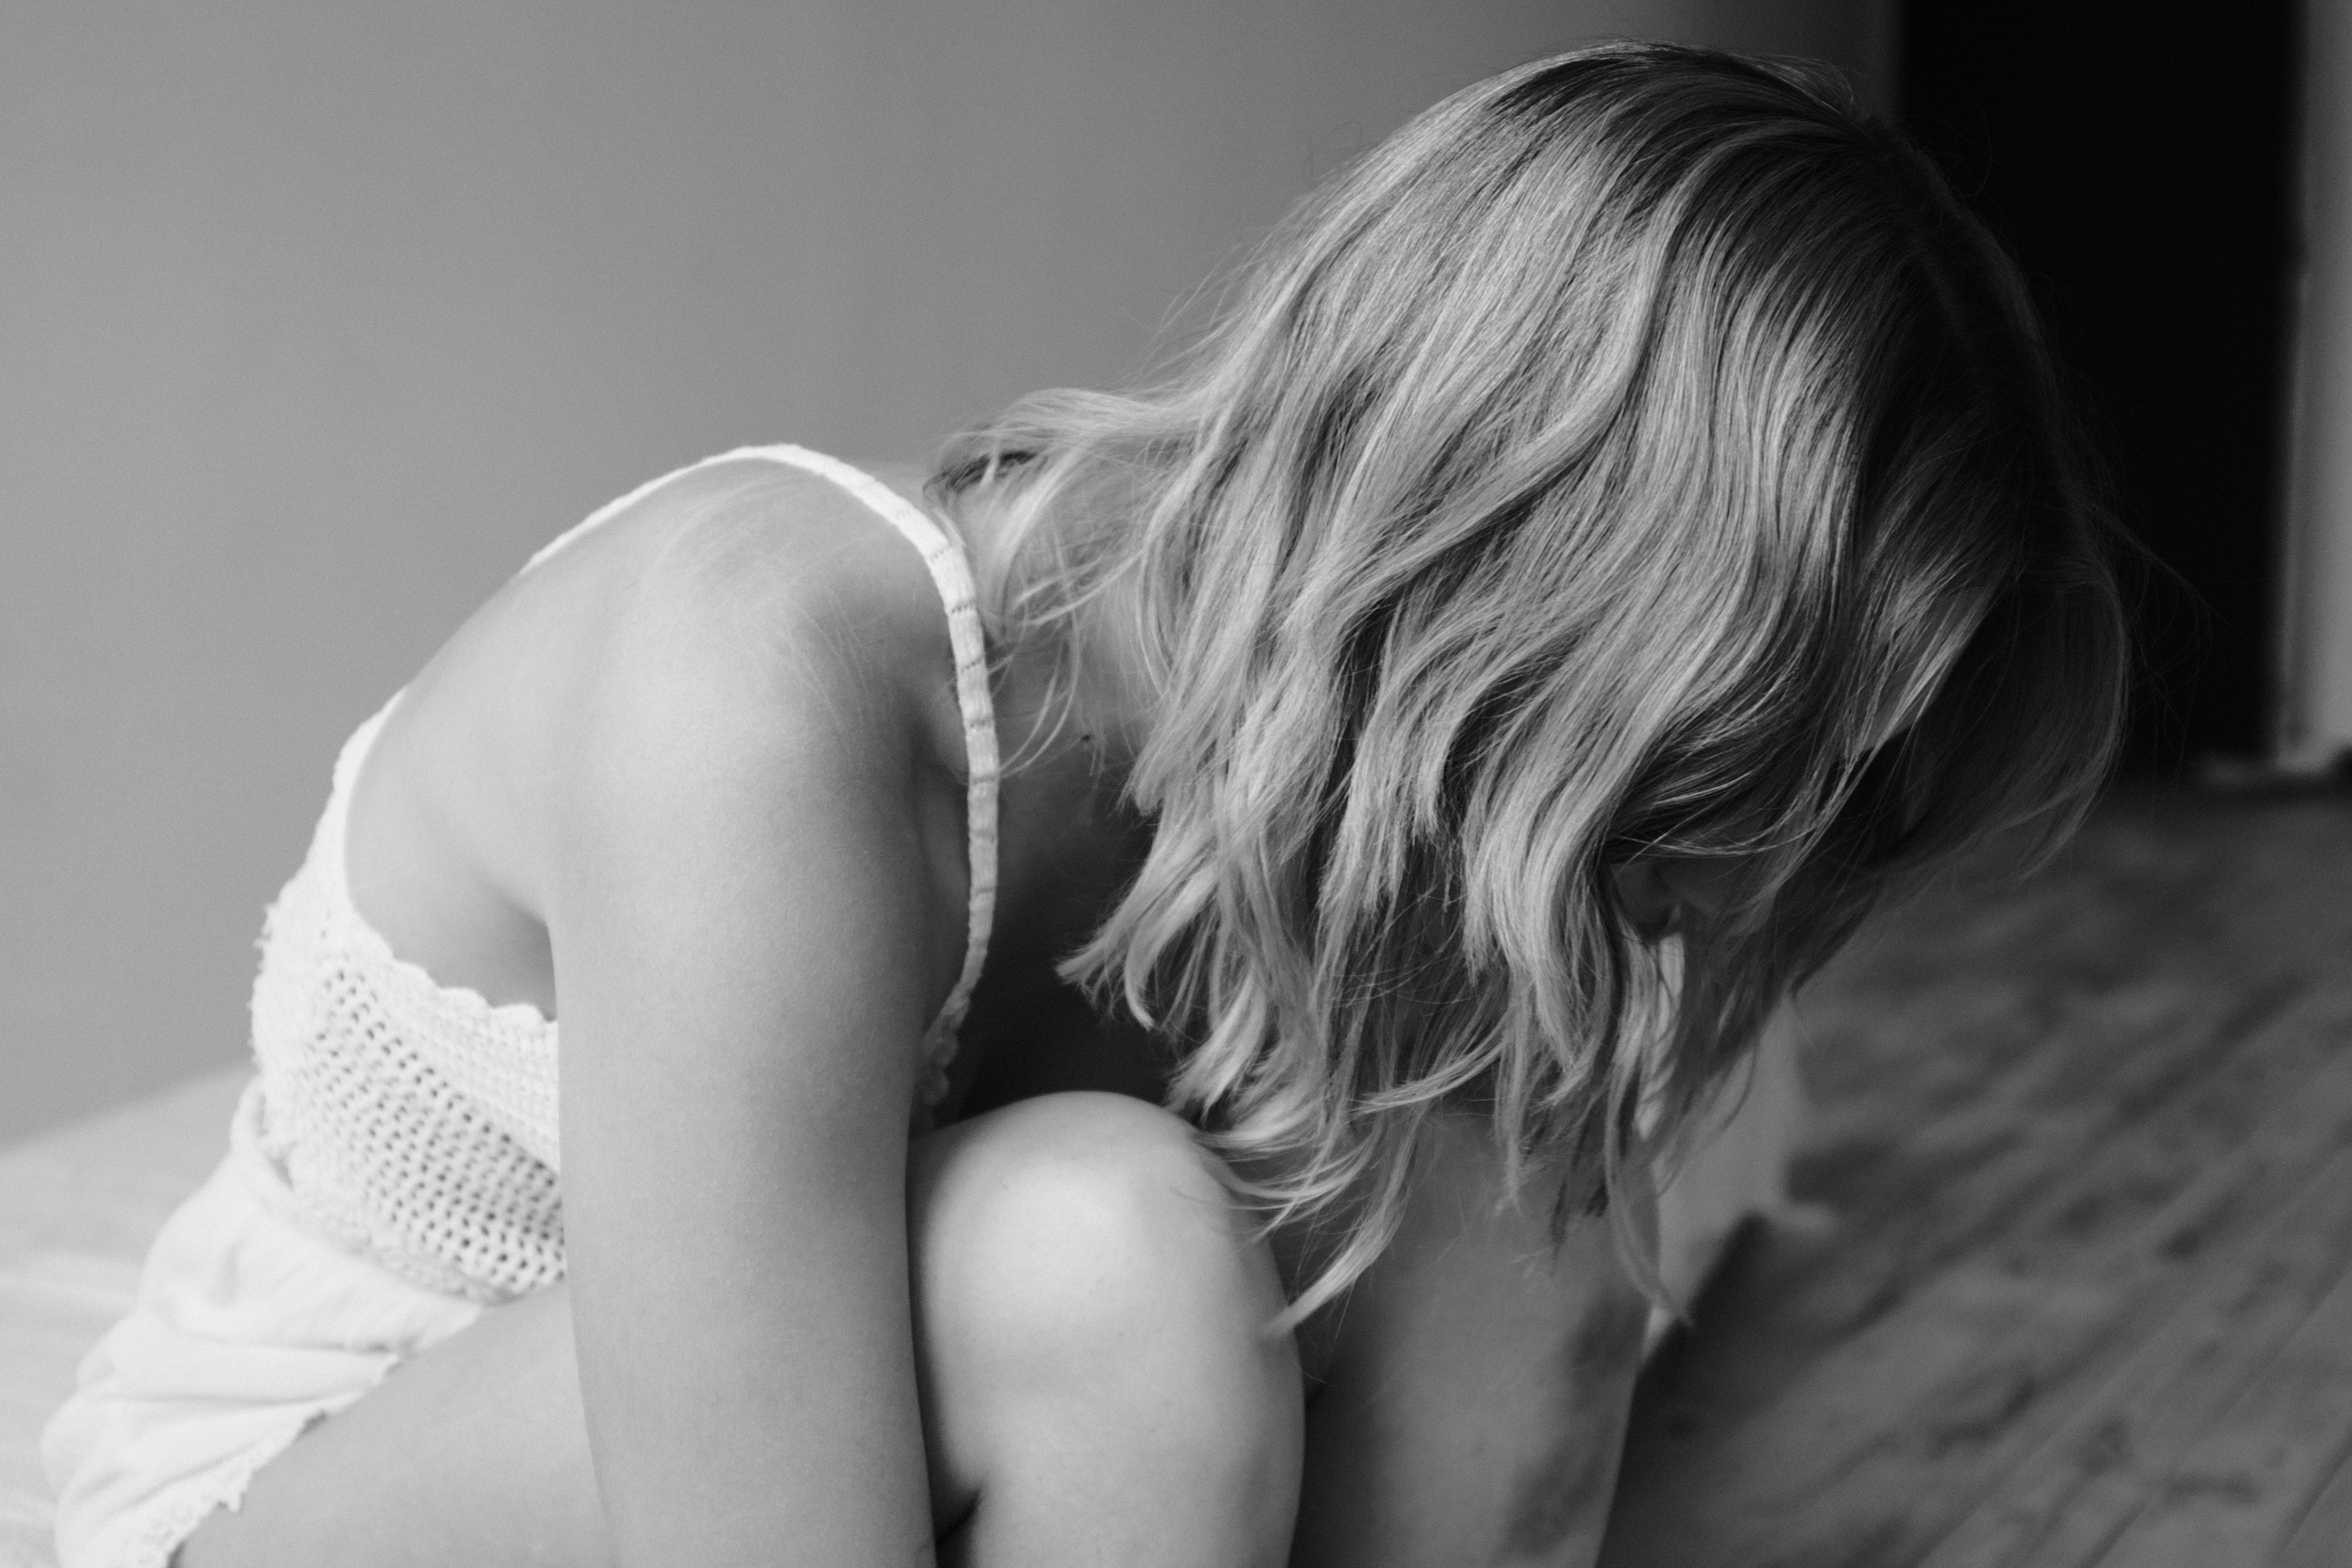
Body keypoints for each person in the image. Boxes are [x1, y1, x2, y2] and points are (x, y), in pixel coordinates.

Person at [42, 40, 2125, 1568]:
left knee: (1526, 1225)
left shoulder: (1359, 865)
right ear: (1553, 603)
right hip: (282, 1501)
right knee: (1103, 1273)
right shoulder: (767, 677)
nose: (1726, 902)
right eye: (1754, 795)